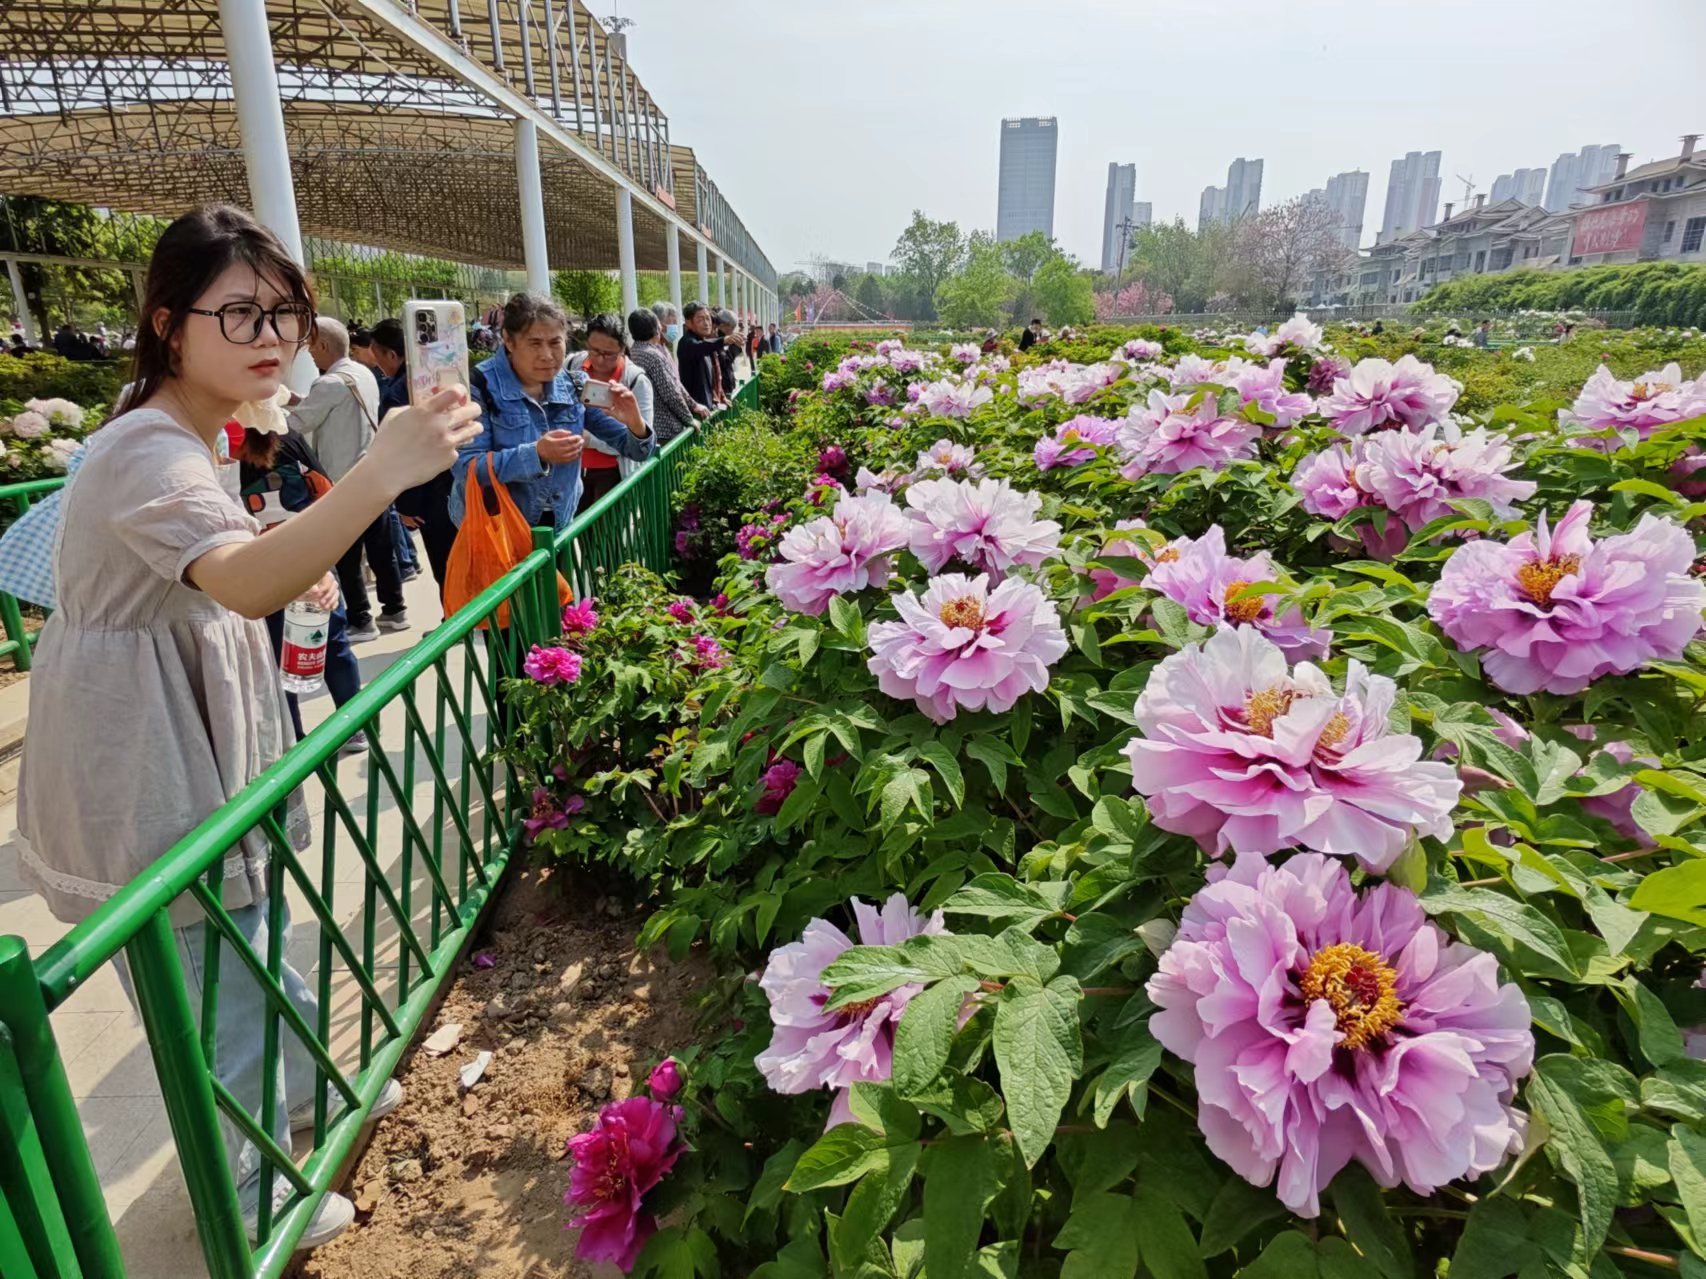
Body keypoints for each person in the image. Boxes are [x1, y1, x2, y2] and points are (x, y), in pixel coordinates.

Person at [15, 203, 480, 1251]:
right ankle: (257, 1194)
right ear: (168, 321)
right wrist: (378, 472)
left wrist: (282, 531)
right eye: (239, 313)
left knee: (253, 936)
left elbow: (230, 568)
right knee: (209, 974)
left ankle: (305, 1102)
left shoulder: (187, 428)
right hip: (145, 751)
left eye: (285, 310)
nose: (270, 335)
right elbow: (243, 586)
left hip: (189, 729)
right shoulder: (147, 449)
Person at [449, 292, 652, 538]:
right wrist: (537, 454)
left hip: (558, 531)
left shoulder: (574, 385)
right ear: (508, 341)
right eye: (534, 343)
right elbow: (466, 467)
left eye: (555, 342)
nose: (547, 355)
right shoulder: (478, 387)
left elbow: (638, 450)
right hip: (497, 535)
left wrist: (634, 421)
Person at [232, 421, 366, 751]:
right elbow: (324, 489)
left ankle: (292, 735)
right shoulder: (287, 436)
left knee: (276, 654)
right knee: (334, 643)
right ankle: (354, 725)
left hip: (257, 561)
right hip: (310, 553)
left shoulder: (219, 451)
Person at [315, 317, 409, 642]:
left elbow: (298, 424)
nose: (308, 354)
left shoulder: (327, 383)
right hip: (373, 474)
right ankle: (395, 610)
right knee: (382, 551)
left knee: (348, 557)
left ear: (323, 345)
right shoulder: (364, 373)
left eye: (309, 346)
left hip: (343, 483)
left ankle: (361, 619)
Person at [567, 311, 655, 512]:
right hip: (574, 471)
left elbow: (642, 438)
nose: (599, 360)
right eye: (594, 351)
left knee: (610, 539)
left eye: (608, 354)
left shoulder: (635, 380)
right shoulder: (572, 366)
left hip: (614, 472)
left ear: (622, 349)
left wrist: (591, 441)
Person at [627, 307, 705, 444]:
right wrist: (689, 419)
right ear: (656, 328)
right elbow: (671, 392)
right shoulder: (653, 356)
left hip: (645, 427)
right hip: (665, 430)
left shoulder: (633, 352)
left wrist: (693, 405)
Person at [676, 301, 722, 411]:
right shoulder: (687, 342)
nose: (706, 323)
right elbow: (700, 348)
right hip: (697, 410)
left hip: (707, 407)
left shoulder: (703, 341)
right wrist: (724, 340)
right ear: (689, 323)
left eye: (708, 318)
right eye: (700, 319)